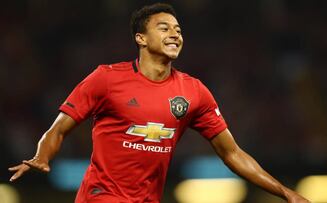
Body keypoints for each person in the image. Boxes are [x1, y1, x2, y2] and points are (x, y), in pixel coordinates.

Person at [9, 3, 310, 203]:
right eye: (164, 28)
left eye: (178, 29)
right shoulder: (106, 79)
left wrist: (285, 193)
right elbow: (59, 129)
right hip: (100, 197)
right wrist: (43, 155)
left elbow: (233, 154)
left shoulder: (194, 92)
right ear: (141, 38)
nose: (175, 34)